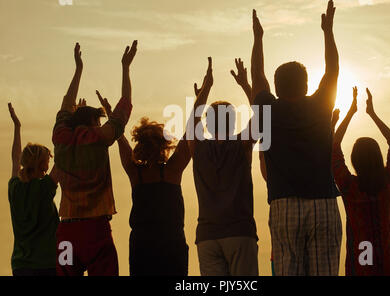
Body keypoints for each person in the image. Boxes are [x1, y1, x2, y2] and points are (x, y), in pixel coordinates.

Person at [252, 0, 342, 276]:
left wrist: (258, 40)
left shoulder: (268, 108)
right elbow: (332, 69)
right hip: (323, 202)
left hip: (284, 204)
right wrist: (328, 32)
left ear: (276, 88)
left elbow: (257, 76)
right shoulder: (320, 104)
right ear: (306, 85)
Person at [52, 41, 137, 276]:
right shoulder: (99, 137)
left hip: (66, 231)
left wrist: (78, 69)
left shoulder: (60, 138)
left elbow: (66, 104)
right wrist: (125, 68)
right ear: (92, 122)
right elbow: (124, 108)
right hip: (95, 229)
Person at [96, 90, 191, 276]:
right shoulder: (171, 171)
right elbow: (190, 133)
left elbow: (120, 139)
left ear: (140, 145)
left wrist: (112, 116)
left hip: (142, 243)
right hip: (172, 242)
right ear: (163, 145)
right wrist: (201, 98)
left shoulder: (136, 173)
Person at [189, 57, 259, 276]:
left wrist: (205, 90)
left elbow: (193, 120)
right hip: (240, 232)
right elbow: (262, 116)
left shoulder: (197, 147)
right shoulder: (242, 144)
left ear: (207, 124)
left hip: (207, 236)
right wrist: (246, 85)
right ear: (234, 122)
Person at [332, 87, 390, 276]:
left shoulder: (350, 188)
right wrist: (372, 114)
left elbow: (333, 148)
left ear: (355, 161)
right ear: (378, 158)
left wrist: (350, 113)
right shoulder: (388, 184)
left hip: (361, 265)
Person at [7, 103, 59, 276]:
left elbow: (15, 159)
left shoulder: (14, 187)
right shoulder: (44, 187)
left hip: (20, 265)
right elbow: (63, 158)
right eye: (46, 162)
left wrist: (17, 127)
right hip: (46, 264)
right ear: (41, 164)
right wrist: (71, 124)